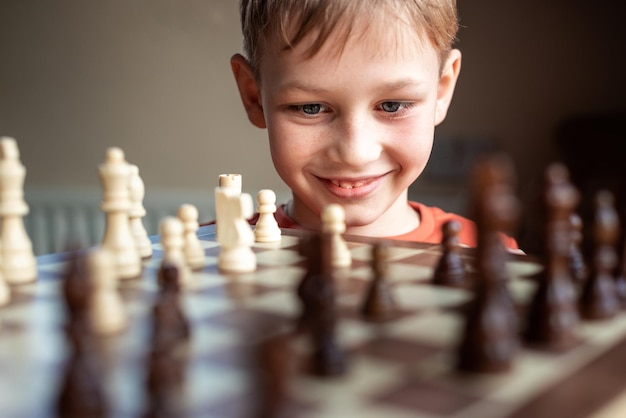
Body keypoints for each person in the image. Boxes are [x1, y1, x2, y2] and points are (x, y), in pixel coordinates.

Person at [229, 0, 518, 249]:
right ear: (254, 97)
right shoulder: (211, 247)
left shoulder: (494, 255)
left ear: (441, 91)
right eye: (310, 108)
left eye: (393, 105)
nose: (355, 153)